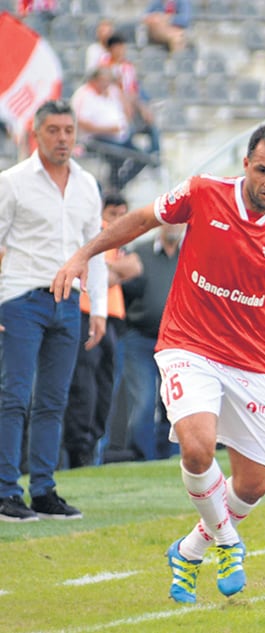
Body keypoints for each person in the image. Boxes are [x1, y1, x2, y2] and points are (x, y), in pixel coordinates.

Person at [52, 124, 265, 602]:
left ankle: (189, 550)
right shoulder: (203, 192)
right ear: (246, 163)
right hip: (187, 345)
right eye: (262, 170)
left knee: (254, 484)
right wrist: (83, 255)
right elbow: (143, 220)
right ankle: (229, 542)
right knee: (197, 449)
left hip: (251, 361)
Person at [0, 99, 106, 522]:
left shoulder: (87, 184)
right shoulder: (12, 181)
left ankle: (43, 489)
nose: (62, 138)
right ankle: (7, 489)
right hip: (21, 296)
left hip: (68, 303)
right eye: (54, 130)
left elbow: (94, 250)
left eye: (68, 130)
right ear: (36, 134)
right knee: (14, 397)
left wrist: (96, 307)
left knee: (53, 400)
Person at [62, 192, 139, 468]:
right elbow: (99, 273)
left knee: (104, 390)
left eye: (123, 214)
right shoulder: (95, 231)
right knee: (85, 388)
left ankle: (90, 448)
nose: (119, 219)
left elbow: (133, 267)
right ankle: (79, 451)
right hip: (85, 313)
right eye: (113, 214)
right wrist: (106, 272)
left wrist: (106, 271)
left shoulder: (116, 237)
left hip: (111, 318)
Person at [118, 222, 184, 461]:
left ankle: (172, 457)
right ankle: (142, 457)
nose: (175, 225)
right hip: (140, 337)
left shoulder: (190, 254)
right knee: (144, 400)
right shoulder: (140, 253)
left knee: (174, 402)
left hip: (177, 342)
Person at [70, 67, 151, 192]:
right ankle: (112, 187)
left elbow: (128, 112)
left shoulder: (112, 92)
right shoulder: (84, 94)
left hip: (120, 137)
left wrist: (119, 89)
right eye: (103, 80)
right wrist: (108, 129)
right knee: (117, 156)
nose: (106, 83)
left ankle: (118, 186)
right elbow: (79, 122)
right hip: (96, 139)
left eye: (108, 80)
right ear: (94, 80)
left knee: (143, 157)